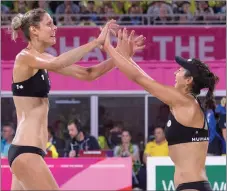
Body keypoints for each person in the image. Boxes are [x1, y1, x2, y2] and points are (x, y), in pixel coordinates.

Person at [8, 9, 146, 190]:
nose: (54, 28)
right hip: (27, 152)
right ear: (34, 30)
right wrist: (96, 43)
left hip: (27, 152)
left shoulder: (45, 59)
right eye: (49, 24)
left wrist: (121, 56)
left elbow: (89, 74)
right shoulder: (24, 58)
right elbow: (57, 63)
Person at [103, 28, 218, 191]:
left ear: (189, 80)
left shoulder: (183, 101)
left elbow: (140, 79)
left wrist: (108, 46)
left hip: (192, 186)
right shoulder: (186, 102)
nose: (175, 71)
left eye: (180, 69)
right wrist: (126, 57)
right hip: (192, 185)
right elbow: (144, 79)